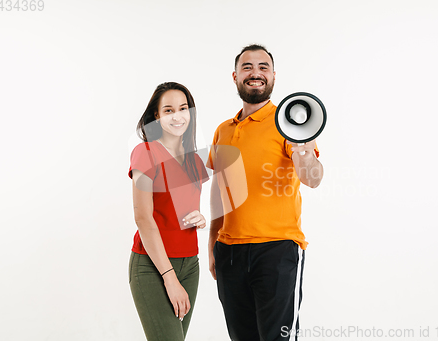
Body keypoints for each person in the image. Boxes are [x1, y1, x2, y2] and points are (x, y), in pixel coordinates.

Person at [207, 44, 323, 341]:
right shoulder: (223, 130)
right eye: (247, 67)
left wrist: (306, 151)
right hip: (229, 252)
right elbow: (220, 190)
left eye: (263, 67)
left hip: (276, 251)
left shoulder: (288, 124)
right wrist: (212, 242)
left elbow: (312, 179)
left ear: (273, 76)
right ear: (235, 76)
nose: (255, 73)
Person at [128, 82, 209, 341]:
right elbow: (143, 217)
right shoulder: (144, 153)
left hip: (191, 264)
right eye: (169, 110)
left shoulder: (195, 161)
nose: (178, 115)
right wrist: (169, 278)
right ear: (157, 116)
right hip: (154, 267)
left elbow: (183, 210)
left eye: (183, 108)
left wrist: (201, 218)